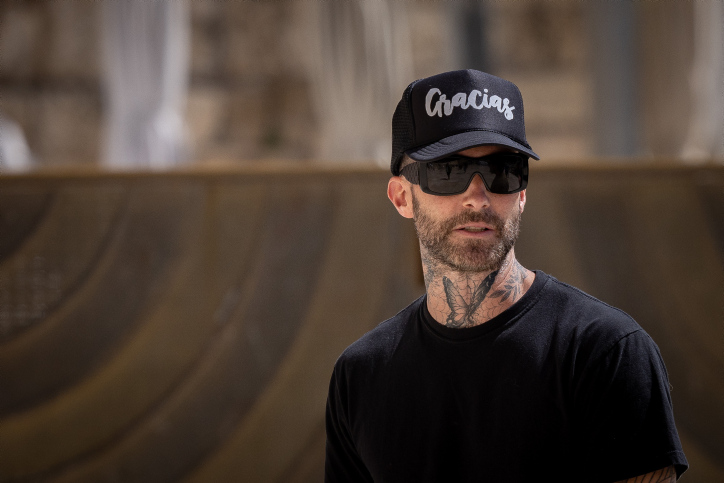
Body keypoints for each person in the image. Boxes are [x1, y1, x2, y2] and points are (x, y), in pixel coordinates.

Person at [324, 70, 688, 482]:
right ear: (401, 197)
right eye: (449, 171)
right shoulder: (360, 376)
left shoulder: (607, 353)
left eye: (503, 170)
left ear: (522, 193)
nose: (478, 198)